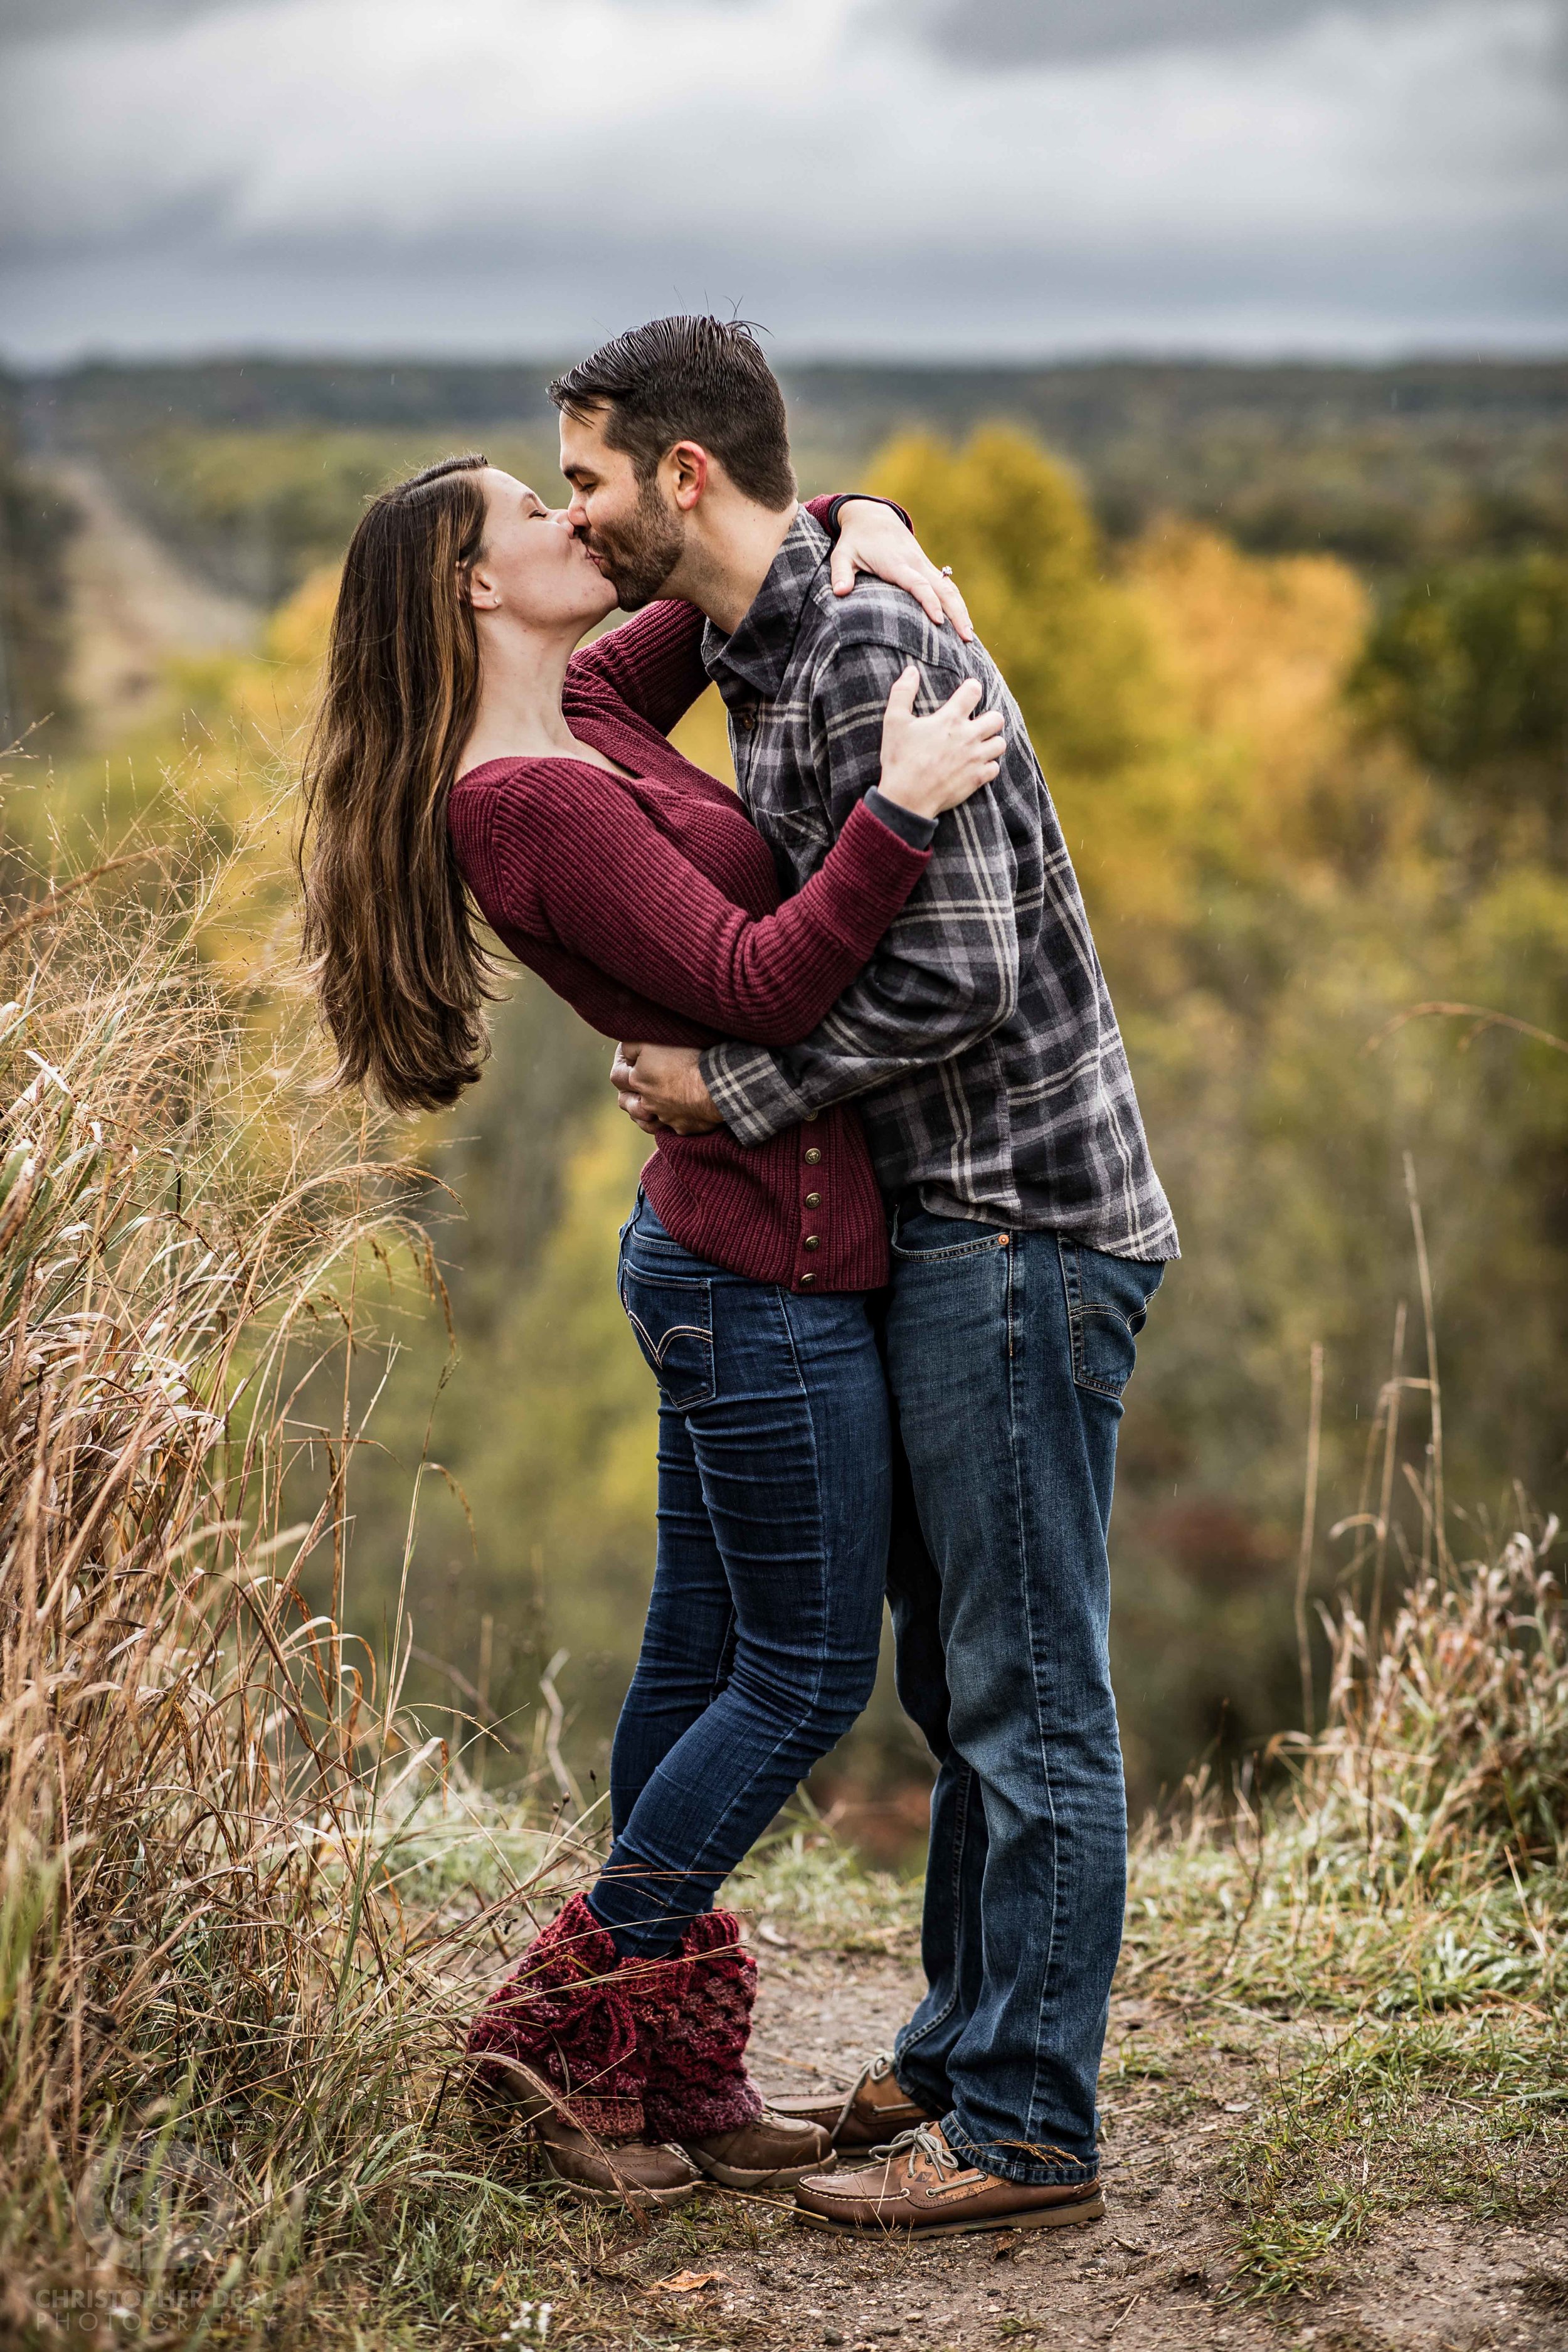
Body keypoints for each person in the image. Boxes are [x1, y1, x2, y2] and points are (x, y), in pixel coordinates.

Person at [297, 448, 1002, 2208]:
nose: (572, 523)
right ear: (473, 583)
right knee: (802, 1675)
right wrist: (898, 806)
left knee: (697, 1671)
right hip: (751, 1285)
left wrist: (867, 519)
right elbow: (761, 983)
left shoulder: (590, 702)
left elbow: (730, 540)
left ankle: (669, 2079)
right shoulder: (523, 799)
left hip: (729, 1262)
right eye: (532, 516)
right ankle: (553, 2033)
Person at [559, 315, 1179, 2235]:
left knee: (1020, 1690)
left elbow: (961, 971)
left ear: (680, 475)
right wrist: (867, 501)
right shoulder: (779, 646)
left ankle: (1025, 2129)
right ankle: (965, 2040)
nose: (573, 514)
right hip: (945, 1234)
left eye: (586, 475)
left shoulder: (870, 651)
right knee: (955, 1675)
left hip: (1016, 1223)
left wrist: (730, 1084)